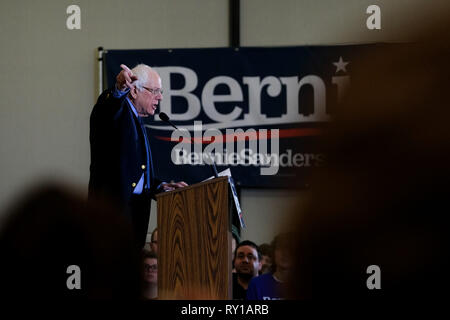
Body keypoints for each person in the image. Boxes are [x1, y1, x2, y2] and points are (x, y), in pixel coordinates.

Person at [88, 64, 187, 248]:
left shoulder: (136, 118)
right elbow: (105, 108)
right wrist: (119, 89)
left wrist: (159, 186)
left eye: (161, 91)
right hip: (111, 219)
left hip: (133, 220)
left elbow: (135, 171)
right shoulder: (115, 112)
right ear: (134, 91)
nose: (160, 97)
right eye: (155, 91)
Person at [247, 233, 293, 300]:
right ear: (273, 252)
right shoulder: (256, 284)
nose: (285, 253)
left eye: (290, 249)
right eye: (280, 248)